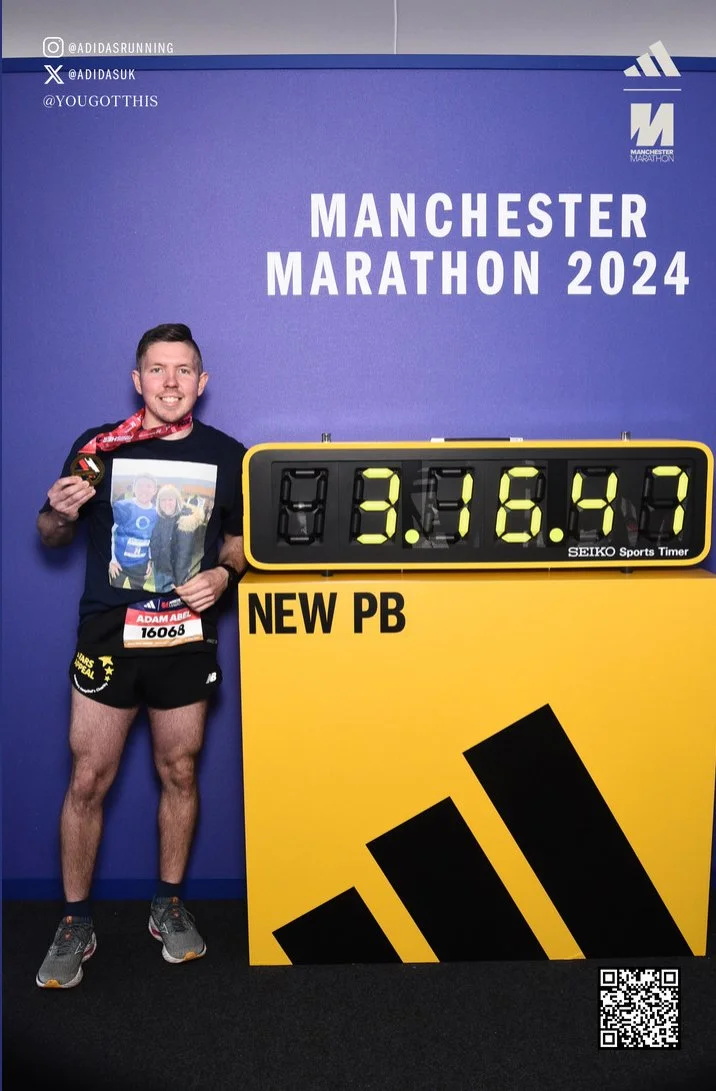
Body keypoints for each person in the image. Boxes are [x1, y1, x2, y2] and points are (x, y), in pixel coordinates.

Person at [35, 323, 247, 988]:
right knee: (88, 777)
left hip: (184, 634)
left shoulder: (227, 455)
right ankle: (75, 922)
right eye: (158, 370)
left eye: (184, 371)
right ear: (138, 379)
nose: (172, 383)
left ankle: (169, 905)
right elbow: (48, 535)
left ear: (202, 383)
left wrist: (224, 575)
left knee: (179, 769)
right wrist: (59, 511)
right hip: (109, 633)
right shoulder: (101, 448)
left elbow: (239, 545)